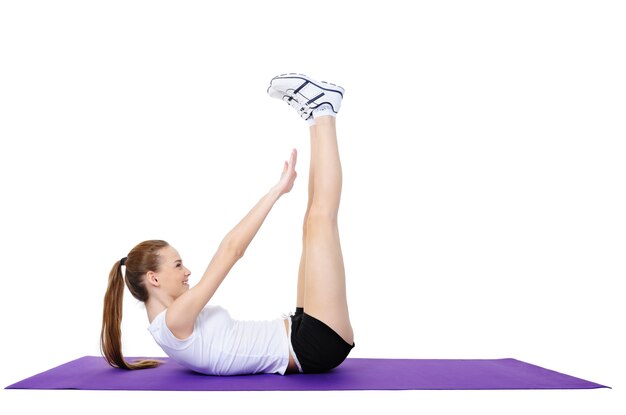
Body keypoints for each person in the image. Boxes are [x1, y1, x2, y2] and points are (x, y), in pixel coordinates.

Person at [101, 73, 354, 375]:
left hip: (299, 331)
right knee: (320, 219)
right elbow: (231, 251)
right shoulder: (174, 321)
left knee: (311, 225)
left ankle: (315, 117)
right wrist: (274, 192)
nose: (187, 271)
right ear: (153, 279)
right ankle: (325, 111)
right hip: (313, 345)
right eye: (178, 265)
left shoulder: (167, 324)